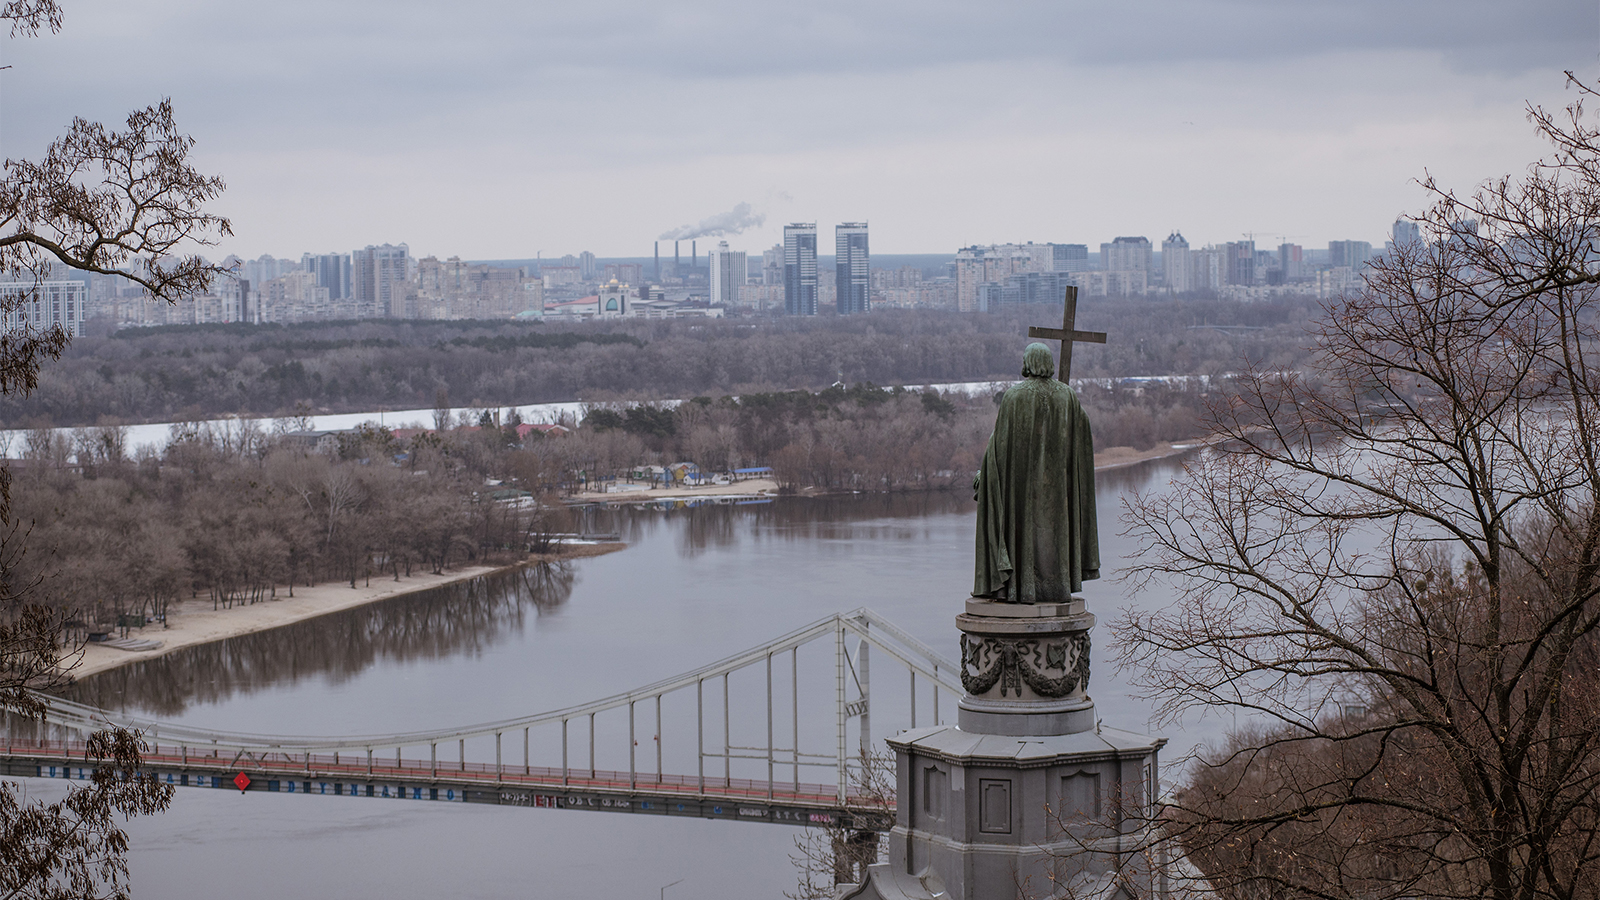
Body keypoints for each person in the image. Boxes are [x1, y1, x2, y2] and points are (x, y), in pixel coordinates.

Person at [972, 342, 1099, 603]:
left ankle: (1021, 587)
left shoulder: (1014, 397)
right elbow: (1081, 437)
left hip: (1021, 490)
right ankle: (1057, 586)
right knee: (1053, 536)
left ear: (1028, 362)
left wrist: (985, 476)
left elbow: (1000, 447)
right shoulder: (1067, 397)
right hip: (1058, 492)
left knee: (1022, 532)